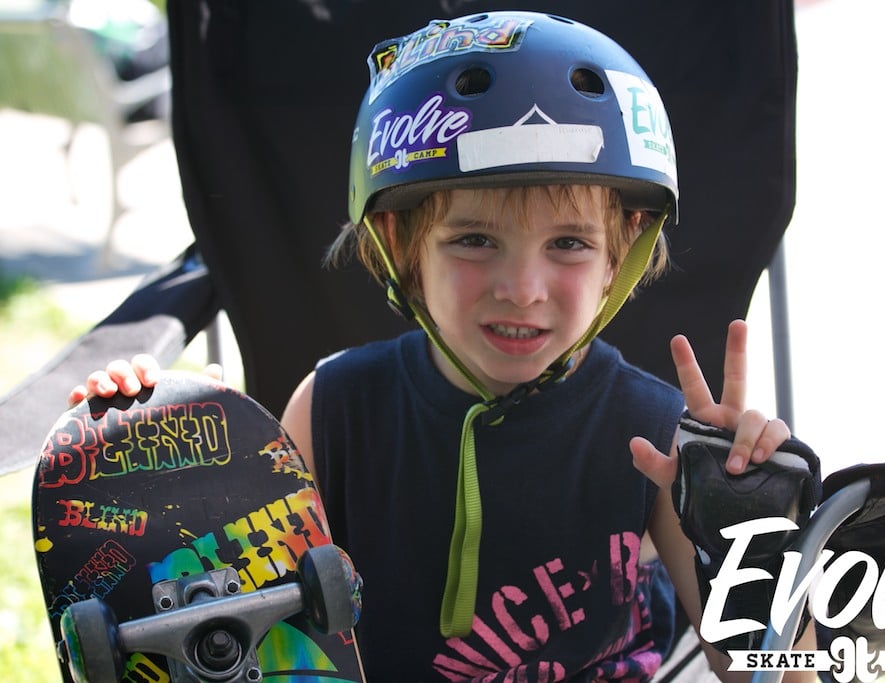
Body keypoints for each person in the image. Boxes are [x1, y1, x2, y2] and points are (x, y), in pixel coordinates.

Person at [71, 11, 815, 681]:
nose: (522, 288)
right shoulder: (332, 411)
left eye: (568, 243)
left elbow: (772, 672)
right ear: (401, 244)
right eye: (474, 240)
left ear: (621, 252)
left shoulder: (656, 440)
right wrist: (174, 470)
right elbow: (248, 634)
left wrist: (749, 541)